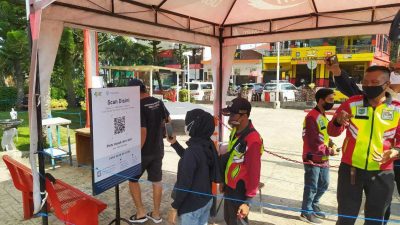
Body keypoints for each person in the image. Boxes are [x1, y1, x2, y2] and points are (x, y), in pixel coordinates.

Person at [326, 59, 400, 223]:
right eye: (365, 82)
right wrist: (338, 121)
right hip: (351, 170)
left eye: (374, 82)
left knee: (376, 219)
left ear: (386, 84)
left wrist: (395, 151)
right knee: (346, 218)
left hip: (383, 172)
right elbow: (332, 131)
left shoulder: (397, 108)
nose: (369, 85)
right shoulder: (352, 103)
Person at [166, 109, 221, 225]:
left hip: (192, 207)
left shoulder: (193, 151)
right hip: (206, 201)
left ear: (195, 125)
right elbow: (193, 160)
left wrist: (174, 207)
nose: (185, 126)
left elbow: (184, 183)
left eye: (187, 123)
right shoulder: (206, 143)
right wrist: (175, 144)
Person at [127, 79, 170, 224]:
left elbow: (142, 132)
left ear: (134, 92)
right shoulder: (158, 102)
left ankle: (141, 213)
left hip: (143, 152)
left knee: (132, 180)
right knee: (157, 181)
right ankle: (156, 214)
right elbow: (168, 120)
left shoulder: (138, 106)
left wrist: (135, 152)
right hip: (158, 149)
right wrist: (169, 136)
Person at [220, 97, 263, 225]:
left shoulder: (253, 140)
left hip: (240, 189)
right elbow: (232, 158)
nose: (230, 118)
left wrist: (248, 201)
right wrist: (224, 181)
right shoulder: (235, 130)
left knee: (238, 222)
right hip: (230, 185)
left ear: (244, 116)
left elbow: (254, 172)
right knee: (229, 219)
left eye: (233, 114)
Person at [300, 88, 338, 224]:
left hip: (323, 158)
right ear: (321, 100)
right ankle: (306, 212)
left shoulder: (322, 115)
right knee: (311, 186)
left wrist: (332, 144)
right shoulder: (311, 117)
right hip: (312, 157)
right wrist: (329, 151)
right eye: (330, 99)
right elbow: (312, 140)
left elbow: (324, 135)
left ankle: (314, 204)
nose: (333, 102)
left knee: (324, 183)